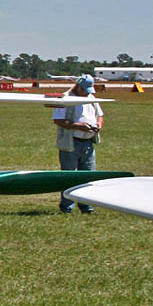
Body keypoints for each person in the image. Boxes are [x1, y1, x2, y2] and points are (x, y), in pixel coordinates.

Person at [54, 74, 104, 213]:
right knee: (69, 176)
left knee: (88, 176)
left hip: (88, 142)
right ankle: (67, 207)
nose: (86, 93)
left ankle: (87, 207)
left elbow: (100, 115)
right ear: (78, 86)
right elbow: (58, 120)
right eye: (84, 89)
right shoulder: (65, 98)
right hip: (71, 142)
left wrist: (98, 125)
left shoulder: (91, 98)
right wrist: (77, 126)